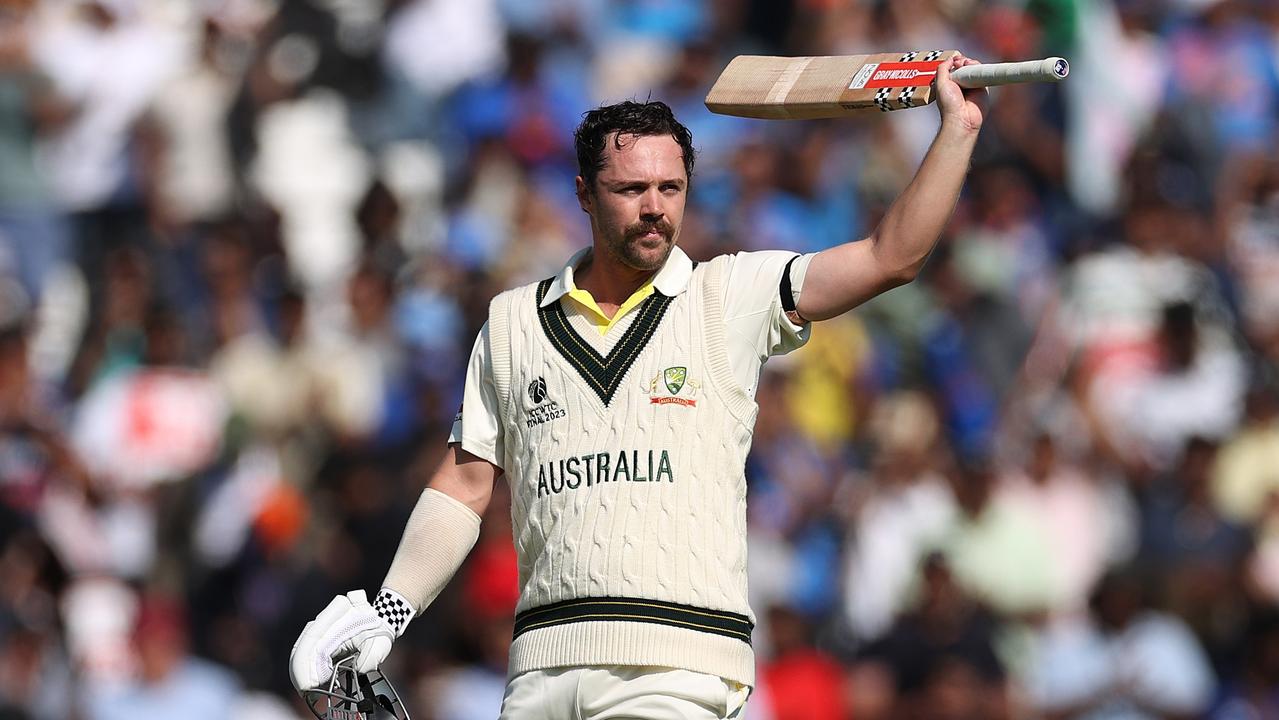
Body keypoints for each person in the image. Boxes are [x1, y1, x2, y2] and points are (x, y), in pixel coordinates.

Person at [291, 54, 987, 719]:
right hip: (538, 669)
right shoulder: (511, 323)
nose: (655, 208)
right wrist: (389, 610)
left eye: (670, 188)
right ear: (583, 194)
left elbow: (888, 257)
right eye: (630, 189)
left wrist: (957, 130)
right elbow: (465, 484)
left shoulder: (727, 295)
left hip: (676, 669)